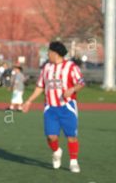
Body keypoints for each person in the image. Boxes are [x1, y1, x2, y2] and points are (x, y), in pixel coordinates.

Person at [23, 41, 85, 173]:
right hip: (50, 108)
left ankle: (73, 161)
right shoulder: (46, 68)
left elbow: (81, 82)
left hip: (67, 107)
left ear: (55, 53)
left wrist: (73, 89)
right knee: (51, 136)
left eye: (49, 52)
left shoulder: (71, 67)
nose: (47, 54)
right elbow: (40, 86)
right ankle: (57, 151)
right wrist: (29, 101)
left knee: (71, 136)